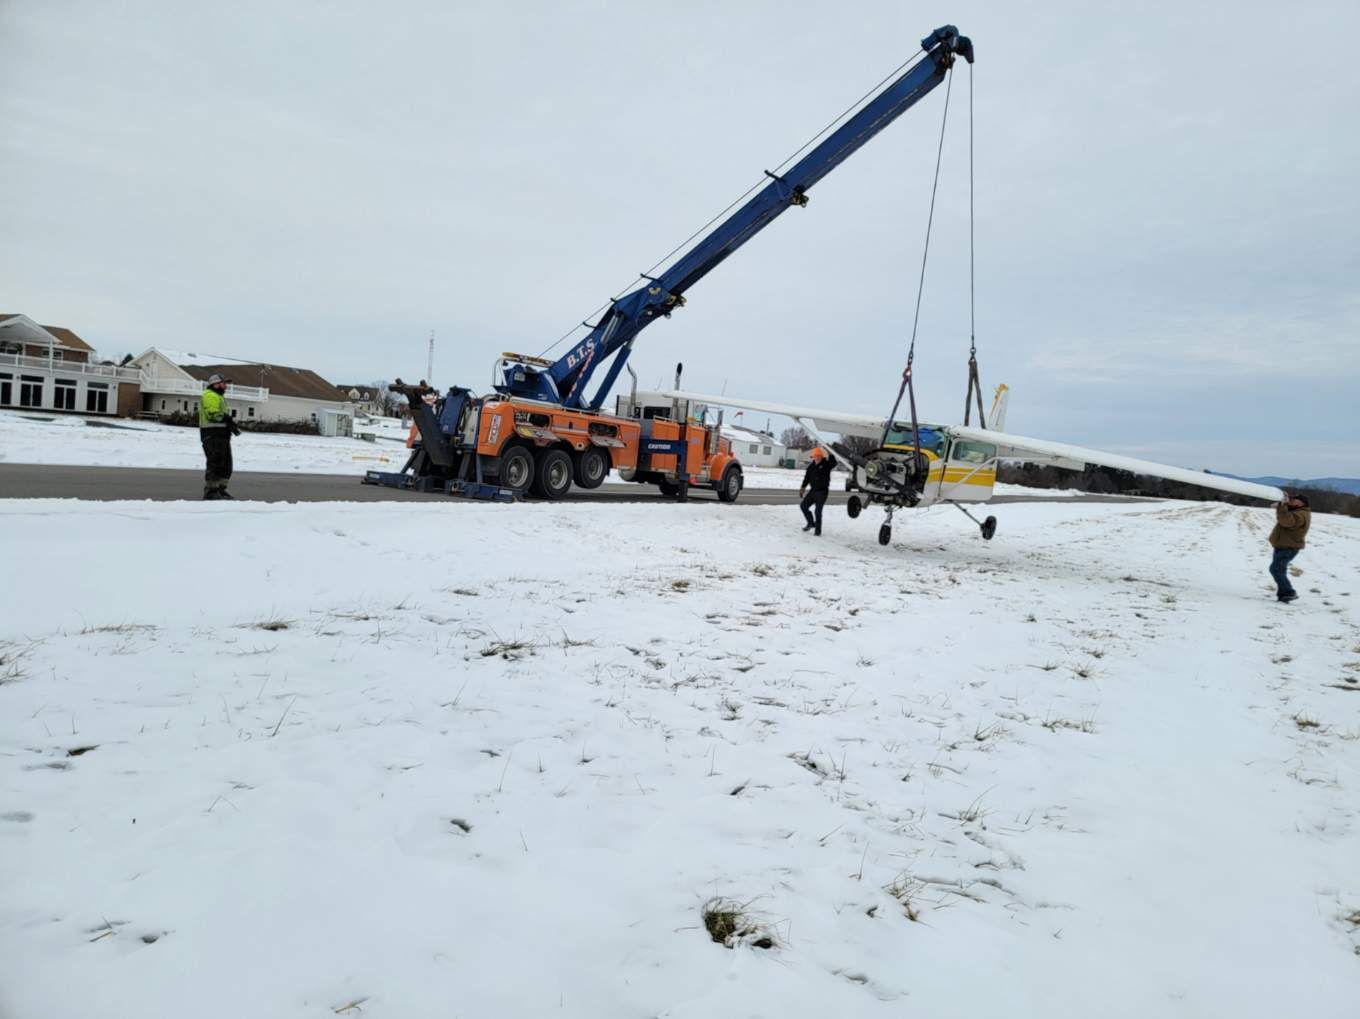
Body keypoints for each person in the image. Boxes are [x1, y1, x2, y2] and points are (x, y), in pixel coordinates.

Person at [199, 373, 241, 500]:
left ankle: (220, 490)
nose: (226, 386)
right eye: (224, 383)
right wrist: (227, 419)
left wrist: (230, 425)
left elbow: (220, 417)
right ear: (216, 384)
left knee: (226, 463)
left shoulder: (218, 396)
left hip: (221, 435)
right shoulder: (210, 395)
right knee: (215, 462)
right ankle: (211, 491)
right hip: (212, 434)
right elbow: (213, 414)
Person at [1267, 493, 1311, 603]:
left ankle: (1289, 592)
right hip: (1283, 546)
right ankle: (1283, 596)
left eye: (1294, 500)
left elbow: (1287, 522)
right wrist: (1281, 505)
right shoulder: (1296, 511)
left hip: (1288, 548)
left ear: (1300, 503)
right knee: (1279, 570)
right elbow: (1286, 516)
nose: (1291, 501)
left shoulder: (1301, 514)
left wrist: (1282, 507)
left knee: (1275, 569)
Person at [799, 446, 838, 536]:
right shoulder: (811, 466)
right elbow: (806, 478)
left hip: (822, 492)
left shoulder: (826, 464)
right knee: (803, 506)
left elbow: (834, 463)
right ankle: (811, 523)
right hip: (813, 491)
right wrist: (802, 488)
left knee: (818, 511)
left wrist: (830, 452)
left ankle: (818, 530)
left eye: (818, 456)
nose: (816, 458)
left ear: (821, 456)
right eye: (815, 456)